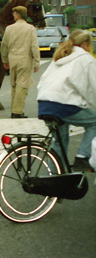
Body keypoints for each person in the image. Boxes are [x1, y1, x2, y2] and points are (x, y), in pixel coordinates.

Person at [37, 29, 96, 172]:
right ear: (85, 45)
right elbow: (93, 88)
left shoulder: (59, 58)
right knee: (95, 122)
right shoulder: (86, 59)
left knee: (59, 142)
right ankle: (82, 156)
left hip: (44, 104)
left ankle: (52, 178)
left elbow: (42, 82)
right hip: (63, 105)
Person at [0, 5, 40, 118]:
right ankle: (17, 111)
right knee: (22, 85)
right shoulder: (30, 28)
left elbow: (4, 46)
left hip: (12, 58)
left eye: (14, 14)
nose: (13, 15)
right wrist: (37, 62)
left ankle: (14, 108)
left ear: (18, 15)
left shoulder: (9, 28)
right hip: (25, 58)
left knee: (14, 84)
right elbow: (34, 46)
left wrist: (5, 60)